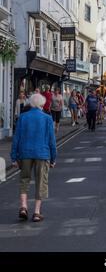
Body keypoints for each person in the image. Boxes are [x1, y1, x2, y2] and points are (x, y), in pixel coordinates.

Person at [10, 93, 56, 223]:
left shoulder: (23, 117)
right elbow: (52, 141)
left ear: (30, 103)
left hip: (25, 153)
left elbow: (16, 139)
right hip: (42, 154)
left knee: (24, 179)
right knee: (41, 182)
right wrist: (53, 159)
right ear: (42, 104)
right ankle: (36, 212)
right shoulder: (47, 118)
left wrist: (14, 157)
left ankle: (23, 207)